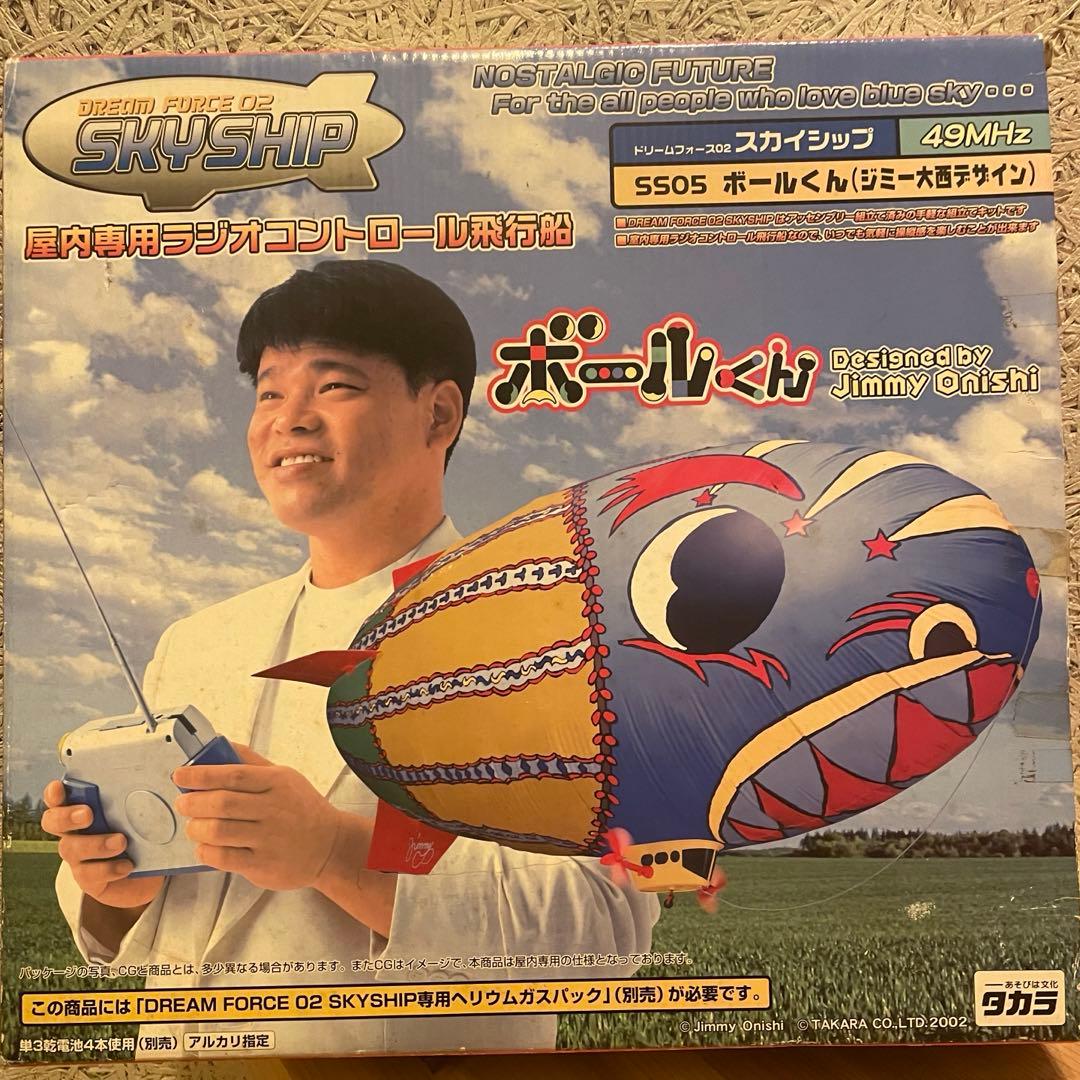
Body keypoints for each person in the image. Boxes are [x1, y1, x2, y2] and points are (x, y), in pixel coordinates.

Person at [43, 260, 660, 1057]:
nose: (288, 420)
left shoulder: (559, 637)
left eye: (333, 386)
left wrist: (335, 853)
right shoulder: (197, 641)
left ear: (439, 414)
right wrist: (106, 885)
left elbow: (605, 932)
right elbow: (142, 914)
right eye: (269, 392)